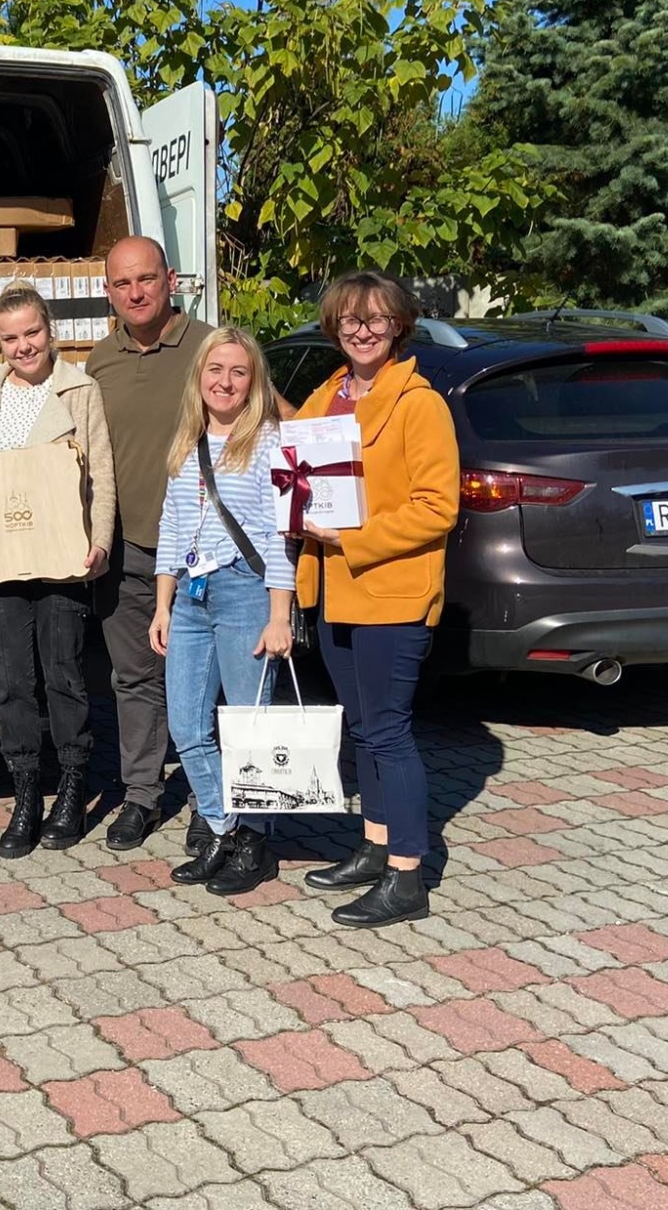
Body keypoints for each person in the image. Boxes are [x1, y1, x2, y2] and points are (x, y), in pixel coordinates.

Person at [292, 271, 459, 928]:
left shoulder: (419, 404)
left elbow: (436, 508)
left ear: (398, 326)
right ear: (335, 326)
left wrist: (351, 535)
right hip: (334, 589)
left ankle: (408, 877)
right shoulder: (325, 395)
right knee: (360, 729)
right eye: (350, 319)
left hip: (390, 590)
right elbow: (290, 465)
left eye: (376, 319)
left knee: (388, 730)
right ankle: (376, 845)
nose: (362, 330)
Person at [0, 284, 115, 859]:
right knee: (11, 682)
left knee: (63, 675)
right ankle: (26, 795)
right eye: (10, 337)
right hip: (0, 560)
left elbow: (100, 474)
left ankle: (72, 787)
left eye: (32, 333)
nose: (24, 346)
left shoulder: (79, 390)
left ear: (50, 330)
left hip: (61, 556)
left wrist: (100, 541)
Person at [150, 329, 296, 895]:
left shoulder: (268, 443)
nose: (225, 382)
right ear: (200, 377)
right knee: (187, 723)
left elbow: (285, 536)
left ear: (254, 380)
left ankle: (254, 843)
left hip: (245, 594)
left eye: (238, 371)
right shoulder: (188, 441)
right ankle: (221, 826)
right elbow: (170, 527)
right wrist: (162, 603)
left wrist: (279, 615)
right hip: (190, 593)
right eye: (216, 370)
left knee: (248, 727)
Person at [84, 236, 213, 851]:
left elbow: (270, 416)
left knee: (202, 679)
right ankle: (141, 795)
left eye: (147, 280)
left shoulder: (210, 347)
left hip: (202, 550)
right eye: (121, 283)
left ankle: (209, 798)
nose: (135, 293)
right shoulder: (97, 361)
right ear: (108, 291)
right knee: (134, 679)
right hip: (127, 548)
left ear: (171, 280)